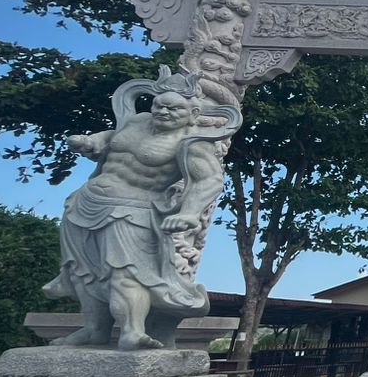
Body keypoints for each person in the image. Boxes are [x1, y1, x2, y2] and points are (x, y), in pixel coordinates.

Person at [52, 67, 237, 350]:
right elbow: (113, 138)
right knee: (83, 271)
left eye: (174, 109)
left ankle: (132, 330)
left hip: (133, 211)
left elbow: (210, 180)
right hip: (84, 204)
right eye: (159, 105)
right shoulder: (137, 121)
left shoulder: (190, 143)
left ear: (193, 113)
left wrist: (189, 212)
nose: (164, 112)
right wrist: (93, 141)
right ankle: (94, 329)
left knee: (126, 272)